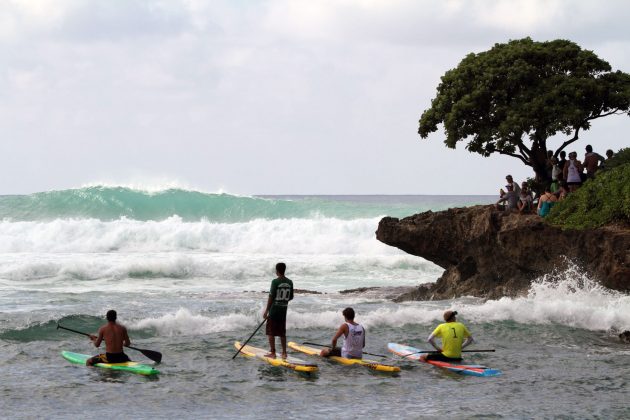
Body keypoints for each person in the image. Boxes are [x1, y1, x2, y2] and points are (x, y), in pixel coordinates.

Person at [263, 262, 294, 359]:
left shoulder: (275, 282)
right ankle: (284, 353)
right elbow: (291, 297)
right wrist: (283, 301)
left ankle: (273, 352)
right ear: (284, 270)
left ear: (277, 271)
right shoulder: (290, 282)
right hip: (283, 310)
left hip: (274, 310)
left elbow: (271, 296)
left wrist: (266, 311)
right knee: (282, 332)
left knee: (271, 332)